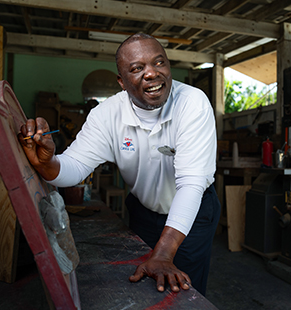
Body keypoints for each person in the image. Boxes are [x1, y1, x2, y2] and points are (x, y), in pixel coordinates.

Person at [19, 33, 221, 296]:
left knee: (185, 291)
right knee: (143, 289)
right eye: (137, 69)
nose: (151, 74)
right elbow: (76, 166)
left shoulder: (192, 103)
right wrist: (48, 164)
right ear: (122, 82)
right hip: (143, 212)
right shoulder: (106, 116)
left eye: (159, 63)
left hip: (194, 215)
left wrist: (162, 254)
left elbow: (191, 184)